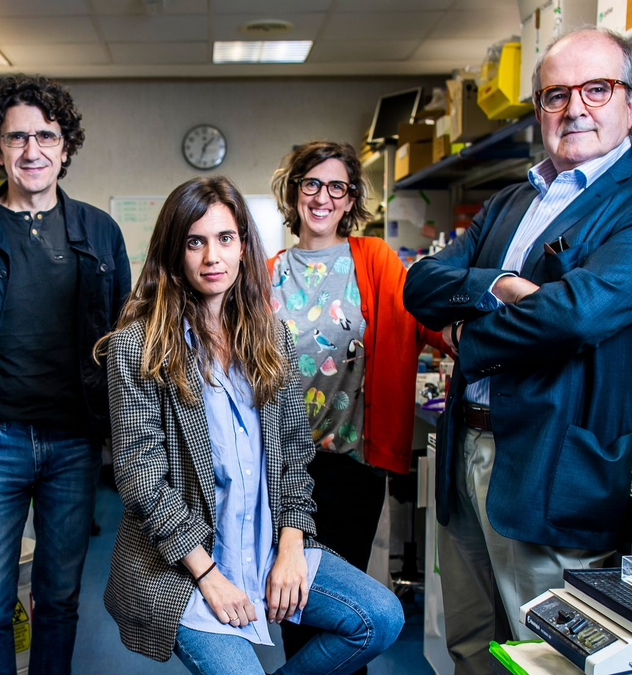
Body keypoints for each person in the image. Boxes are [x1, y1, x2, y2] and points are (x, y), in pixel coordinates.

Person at [402, 28, 632, 673]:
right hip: (466, 452)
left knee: (550, 658)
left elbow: (575, 315)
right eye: (555, 95)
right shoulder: (512, 202)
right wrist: (501, 285)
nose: (575, 108)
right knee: (471, 646)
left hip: (553, 464)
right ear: (539, 108)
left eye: (597, 89)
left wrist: (465, 336)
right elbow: (421, 283)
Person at [100, 176, 403, 675]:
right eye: (194, 242)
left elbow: (292, 458)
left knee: (381, 617)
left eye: (225, 238)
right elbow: (142, 482)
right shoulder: (139, 347)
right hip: (186, 568)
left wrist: (290, 548)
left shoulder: (272, 340)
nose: (211, 257)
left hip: (265, 548)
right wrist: (210, 577)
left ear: (244, 245)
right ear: (174, 253)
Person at [0, 74, 131, 675]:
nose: (31, 150)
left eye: (46, 136)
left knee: (59, 599)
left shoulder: (99, 233)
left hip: (73, 442)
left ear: (65, 147)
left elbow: (125, 343)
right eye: (17, 138)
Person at [266, 141, 448, 671]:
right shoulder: (266, 273)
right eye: (312, 184)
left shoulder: (373, 260)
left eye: (337, 187)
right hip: (280, 468)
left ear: (350, 200)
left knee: (351, 612)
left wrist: (474, 332)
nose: (323, 197)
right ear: (294, 191)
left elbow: (423, 314)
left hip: (352, 466)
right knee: (294, 605)